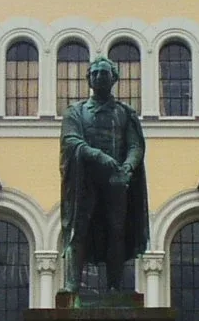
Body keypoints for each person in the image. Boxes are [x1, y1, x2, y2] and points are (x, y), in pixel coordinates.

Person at [60, 57, 149, 297]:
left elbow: (135, 146)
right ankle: (72, 285)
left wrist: (128, 168)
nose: (99, 77)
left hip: (116, 183)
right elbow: (71, 141)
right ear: (88, 78)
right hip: (84, 183)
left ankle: (114, 286)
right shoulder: (76, 113)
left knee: (116, 231)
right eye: (95, 73)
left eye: (104, 73)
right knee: (78, 230)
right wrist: (99, 156)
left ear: (114, 78)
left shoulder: (124, 113)